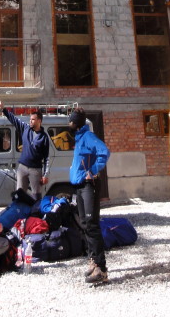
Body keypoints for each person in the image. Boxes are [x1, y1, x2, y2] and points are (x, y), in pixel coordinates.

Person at [68, 107, 110, 285]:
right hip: (79, 185)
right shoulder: (79, 138)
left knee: (92, 225)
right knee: (84, 224)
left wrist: (92, 171)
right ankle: (93, 260)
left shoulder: (88, 137)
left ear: (77, 123)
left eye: (71, 120)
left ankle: (101, 268)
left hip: (88, 186)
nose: (69, 123)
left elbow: (104, 152)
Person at [0, 97, 50, 201]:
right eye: (30, 119)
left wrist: (45, 175)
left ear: (39, 121)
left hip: (35, 170)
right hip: (22, 168)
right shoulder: (25, 129)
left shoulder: (44, 137)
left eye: (33, 119)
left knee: (36, 196)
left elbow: (47, 158)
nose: (30, 121)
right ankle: (18, 210)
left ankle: (36, 211)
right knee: (19, 194)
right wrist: (3, 108)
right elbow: (13, 119)